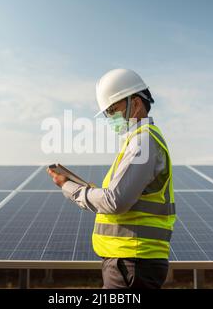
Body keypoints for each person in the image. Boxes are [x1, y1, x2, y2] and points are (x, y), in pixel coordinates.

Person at [47, 68, 176, 289]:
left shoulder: (143, 142)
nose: (110, 118)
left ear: (135, 104)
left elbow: (114, 201)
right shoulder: (138, 141)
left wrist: (69, 187)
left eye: (112, 110)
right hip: (131, 261)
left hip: (133, 262)